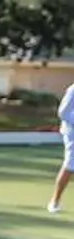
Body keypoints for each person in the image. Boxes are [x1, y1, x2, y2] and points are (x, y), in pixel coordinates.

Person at [50, 83, 74, 214]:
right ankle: (55, 201)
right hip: (72, 133)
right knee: (70, 165)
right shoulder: (73, 90)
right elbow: (63, 112)